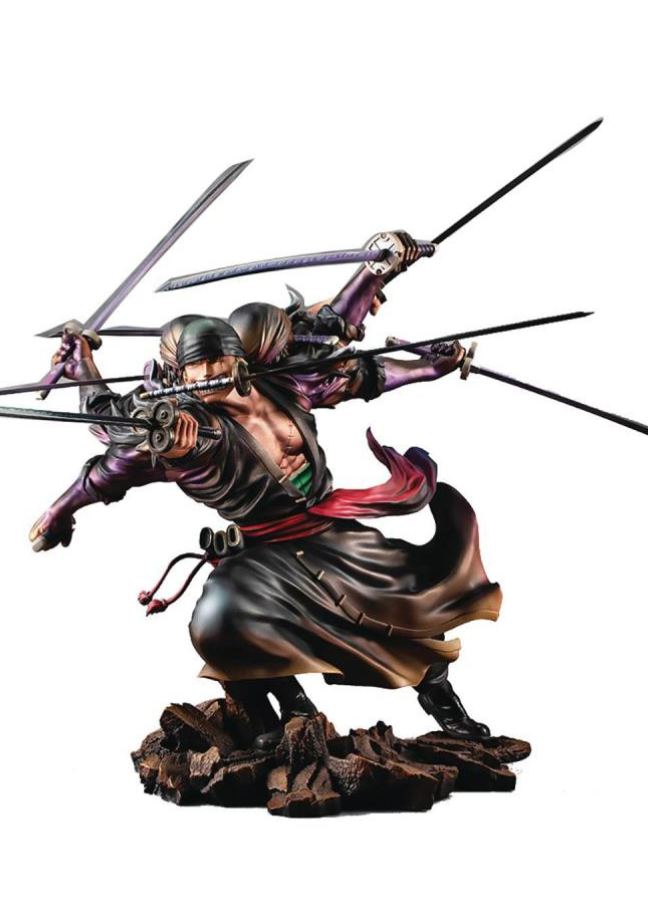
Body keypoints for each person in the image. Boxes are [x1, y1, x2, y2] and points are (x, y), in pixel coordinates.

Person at [29, 234, 502, 745]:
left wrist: (424, 353)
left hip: (330, 530)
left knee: (409, 607)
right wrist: (60, 511)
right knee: (220, 623)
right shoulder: (184, 433)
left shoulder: (285, 383)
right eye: (195, 368)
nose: (208, 375)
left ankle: (449, 712)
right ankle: (289, 712)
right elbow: (106, 464)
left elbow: (362, 371)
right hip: (260, 553)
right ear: (177, 374)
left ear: (239, 361)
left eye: (217, 362)